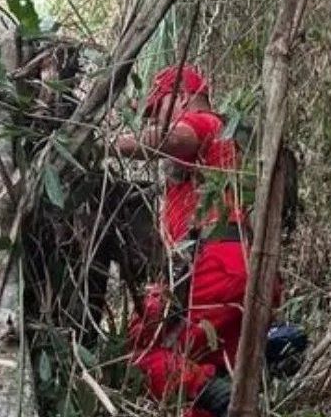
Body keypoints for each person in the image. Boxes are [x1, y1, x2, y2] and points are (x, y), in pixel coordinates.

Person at [116, 65, 260, 417]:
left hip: (214, 267)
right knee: (191, 368)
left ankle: (218, 391)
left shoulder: (207, 123)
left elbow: (172, 139)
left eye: (156, 110)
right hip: (242, 276)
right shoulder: (220, 152)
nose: (152, 120)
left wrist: (106, 143)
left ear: (181, 96)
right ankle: (223, 390)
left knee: (136, 347)